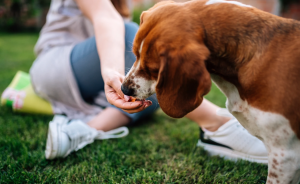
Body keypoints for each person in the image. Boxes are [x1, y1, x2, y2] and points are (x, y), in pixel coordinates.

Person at [30, 0, 268, 163]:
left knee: (146, 99)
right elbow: (107, 19)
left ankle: (79, 131)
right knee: (134, 33)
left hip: (91, 75)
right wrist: (112, 72)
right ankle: (215, 123)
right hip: (56, 65)